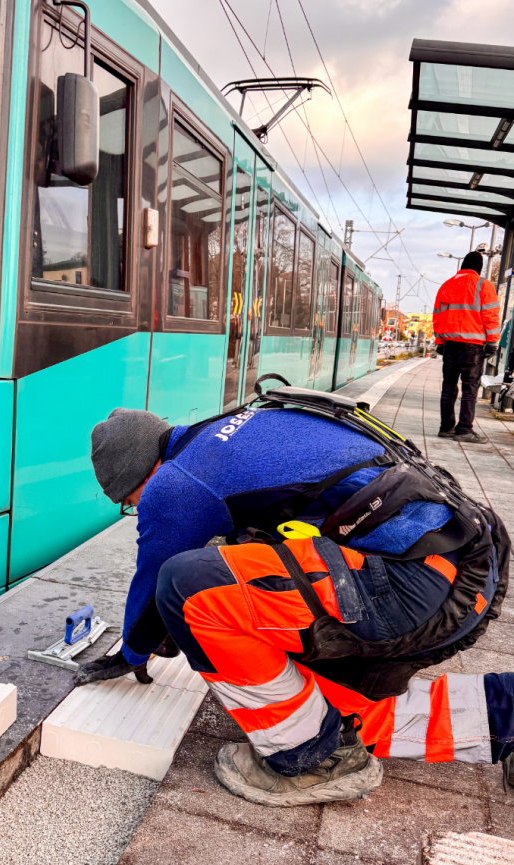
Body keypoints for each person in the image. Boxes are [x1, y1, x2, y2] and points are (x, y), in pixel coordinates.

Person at [75, 402, 511, 807]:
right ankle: (505, 711)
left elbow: (153, 576)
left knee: (187, 589)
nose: (137, 509)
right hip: (468, 569)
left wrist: (132, 650)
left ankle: (311, 760)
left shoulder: (175, 483)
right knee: (333, 711)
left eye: (130, 502)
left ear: (141, 477)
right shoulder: (236, 429)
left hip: (410, 587)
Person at [434, 250, 500, 443]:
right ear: (479, 268)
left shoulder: (446, 285)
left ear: (462, 265)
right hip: (473, 347)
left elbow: (437, 315)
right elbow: (490, 316)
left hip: (450, 345)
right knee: (470, 389)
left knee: (448, 388)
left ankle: (446, 428)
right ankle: (464, 430)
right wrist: (493, 341)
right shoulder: (482, 285)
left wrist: (440, 342)